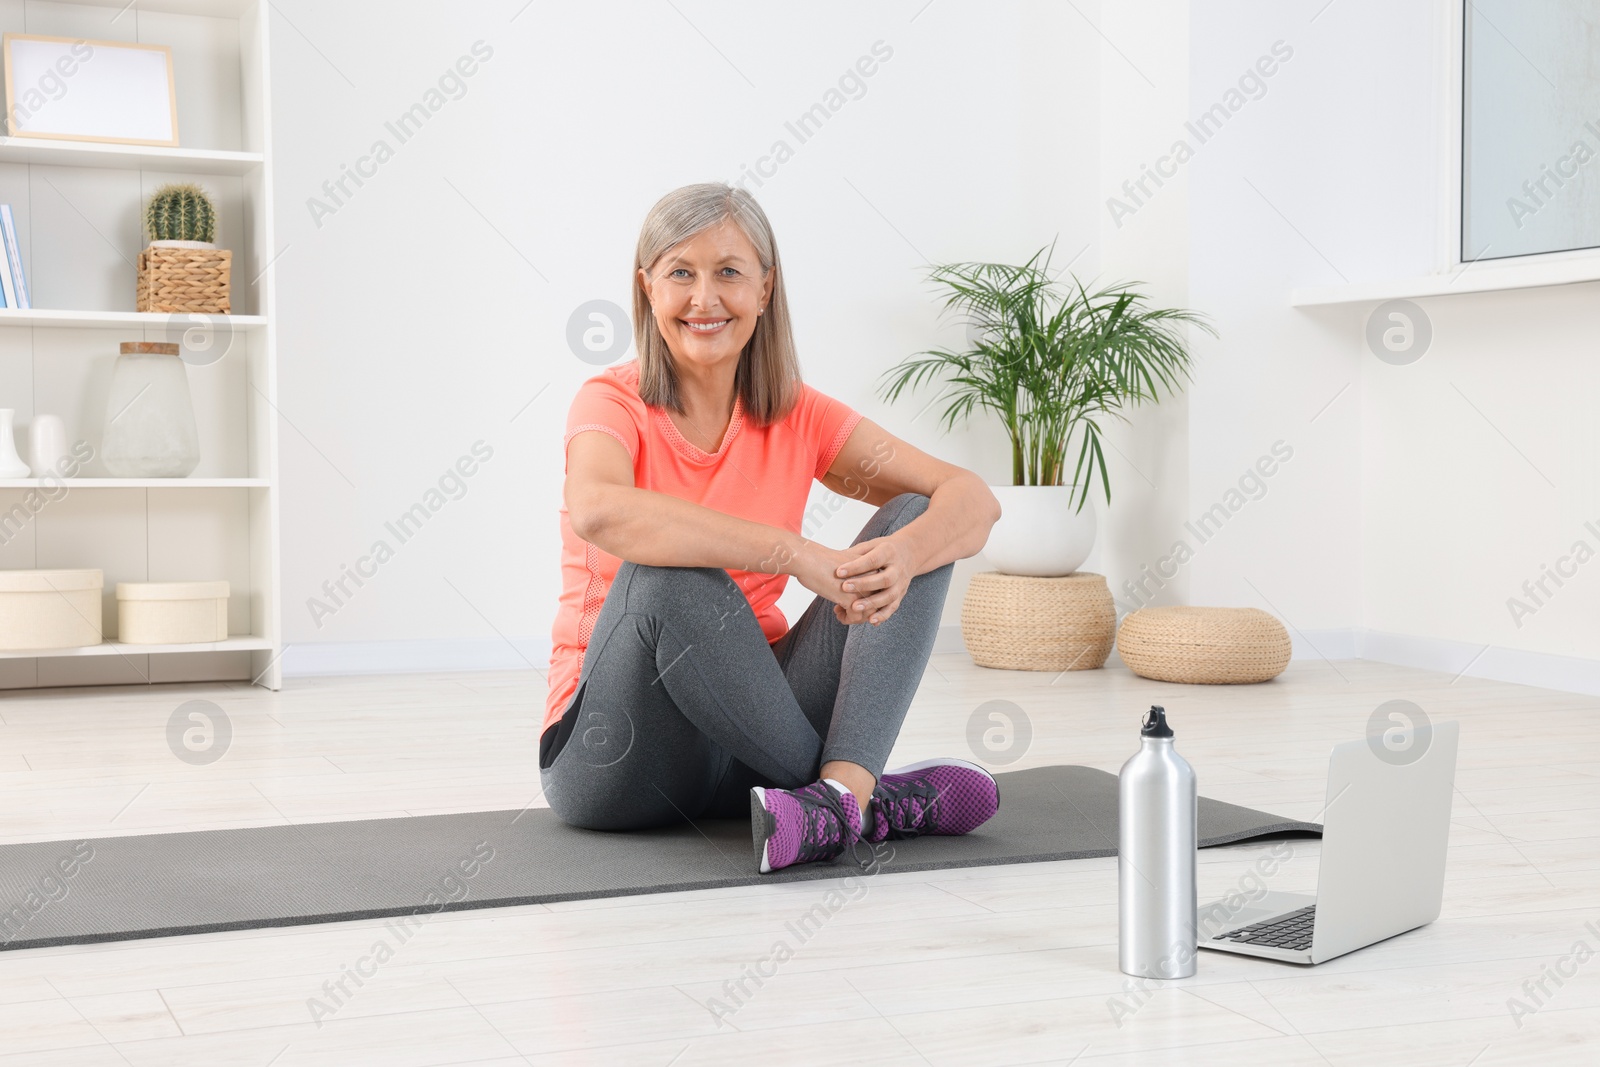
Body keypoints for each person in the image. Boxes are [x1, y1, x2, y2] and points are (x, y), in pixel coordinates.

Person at [542, 182, 1003, 872]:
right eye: (680, 274)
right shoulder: (611, 402)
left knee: (914, 518)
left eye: (728, 271)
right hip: (614, 758)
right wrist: (791, 552)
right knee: (663, 577)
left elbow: (972, 501)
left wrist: (904, 555)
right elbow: (599, 509)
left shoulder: (797, 414)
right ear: (647, 291)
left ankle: (837, 798)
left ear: (764, 289)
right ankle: (866, 801)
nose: (705, 299)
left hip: (746, 747)